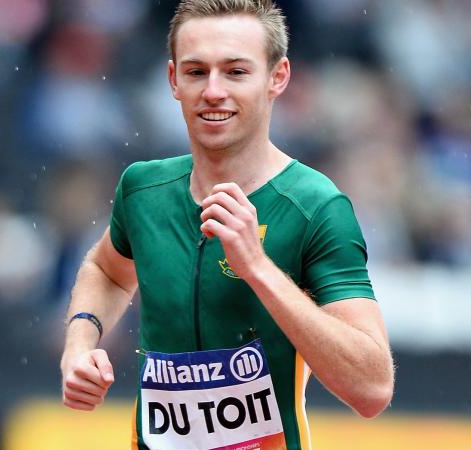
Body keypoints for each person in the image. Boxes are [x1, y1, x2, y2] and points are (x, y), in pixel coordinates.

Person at [60, 1, 394, 448]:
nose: (214, 91)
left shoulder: (316, 207)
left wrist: (257, 268)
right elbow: (106, 271)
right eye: (197, 72)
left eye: (236, 72)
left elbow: (372, 388)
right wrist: (80, 344)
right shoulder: (142, 190)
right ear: (173, 79)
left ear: (278, 77)